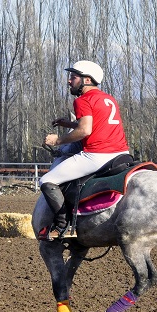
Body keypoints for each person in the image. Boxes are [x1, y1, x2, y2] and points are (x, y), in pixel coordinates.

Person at [38, 60, 129, 241]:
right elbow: (96, 125)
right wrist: (70, 124)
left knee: (47, 180)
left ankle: (63, 226)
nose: (69, 81)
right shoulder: (108, 98)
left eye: (73, 77)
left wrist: (57, 140)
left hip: (97, 155)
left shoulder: (82, 100)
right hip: (121, 154)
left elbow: (85, 131)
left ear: (86, 80)